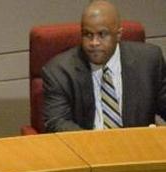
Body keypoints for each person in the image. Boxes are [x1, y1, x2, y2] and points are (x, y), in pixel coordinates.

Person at [41, 0, 166, 132]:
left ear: (118, 34)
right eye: (88, 35)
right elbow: (57, 123)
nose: (94, 43)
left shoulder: (149, 61)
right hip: (84, 148)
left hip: (139, 148)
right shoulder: (59, 71)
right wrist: (99, 145)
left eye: (102, 34)